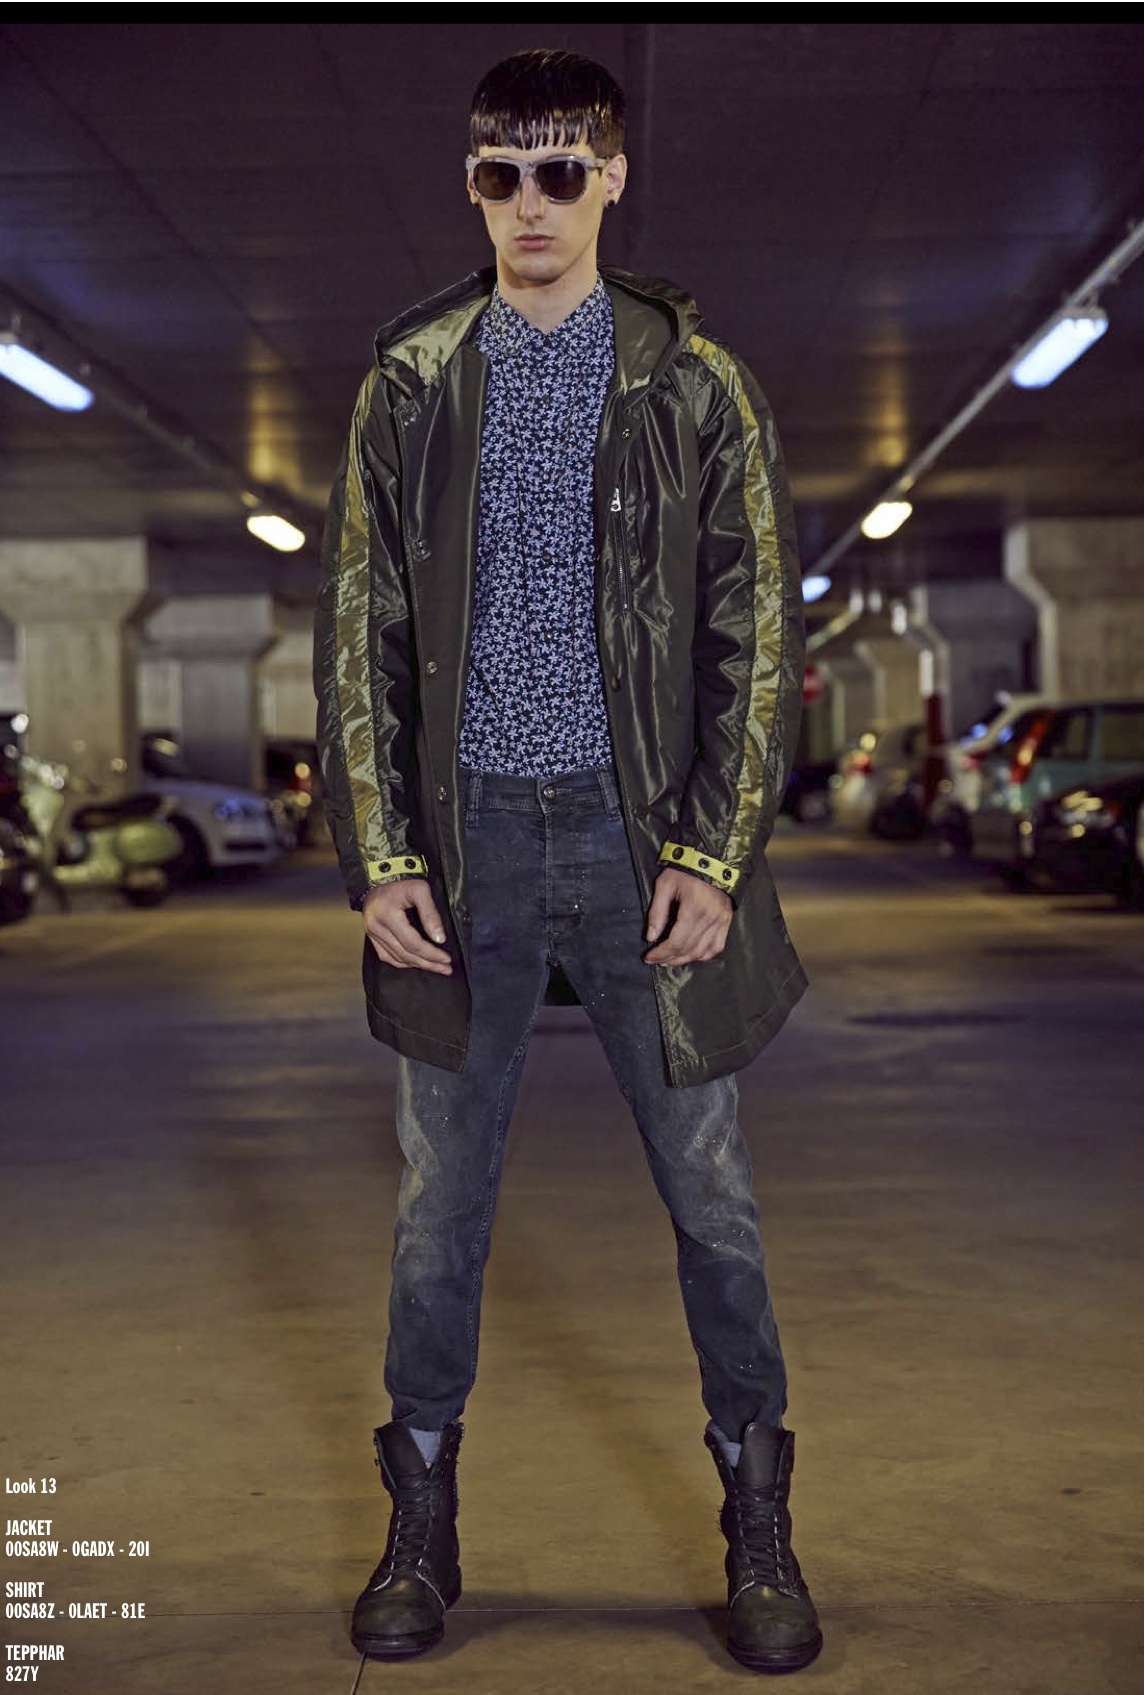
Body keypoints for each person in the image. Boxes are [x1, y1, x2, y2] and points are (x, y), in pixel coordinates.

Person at [313, 45, 821, 1677]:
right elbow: (360, 630)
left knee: (712, 1199)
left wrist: (713, 853)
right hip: (464, 844)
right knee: (437, 1210)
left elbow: (755, 632)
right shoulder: (410, 381)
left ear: (609, 180)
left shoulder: (696, 383)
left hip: (633, 834)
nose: (527, 203)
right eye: (498, 173)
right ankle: (419, 1529)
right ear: (472, 188)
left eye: (557, 170)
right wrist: (382, 851)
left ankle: (759, 1526)